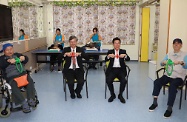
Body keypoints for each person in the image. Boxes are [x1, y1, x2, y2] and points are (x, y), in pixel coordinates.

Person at [149, 38, 187, 118]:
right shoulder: (169, 54)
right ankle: (155, 103)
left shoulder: (184, 55)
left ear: (181, 45)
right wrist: (163, 62)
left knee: (172, 86)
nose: (176, 45)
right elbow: (161, 63)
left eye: (178, 43)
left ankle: (169, 108)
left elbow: (186, 65)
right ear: (173, 45)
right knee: (157, 82)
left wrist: (181, 62)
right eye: (174, 43)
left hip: (178, 76)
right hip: (168, 75)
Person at [0, 43, 37, 113]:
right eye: (7, 50)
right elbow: (2, 64)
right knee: (13, 85)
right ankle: (23, 103)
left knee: (30, 80)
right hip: (12, 77)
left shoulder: (17, 55)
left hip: (22, 75)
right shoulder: (2, 58)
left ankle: (30, 99)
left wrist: (24, 58)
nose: (10, 51)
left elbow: (26, 59)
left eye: (11, 49)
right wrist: (9, 61)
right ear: (4, 51)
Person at [105, 37, 130, 103]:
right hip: (112, 70)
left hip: (121, 70)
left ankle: (120, 95)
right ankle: (112, 95)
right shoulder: (110, 51)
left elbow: (128, 59)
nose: (117, 45)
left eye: (118, 43)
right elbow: (105, 59)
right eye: (115, 43)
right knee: (108, 80)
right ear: (113, 44)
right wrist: (108, 56)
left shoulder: (123, 51)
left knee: (124, 81)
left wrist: (125, 56)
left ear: (120, 44)